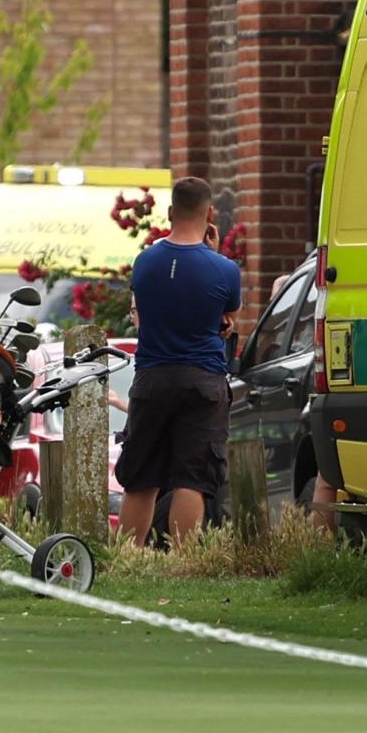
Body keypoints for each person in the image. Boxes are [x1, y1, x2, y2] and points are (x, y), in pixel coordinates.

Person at [119, 177, 246, 545]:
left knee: (141, 477)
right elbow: (227, 314)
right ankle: (182, 558)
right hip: (202, 380)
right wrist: (216, 251)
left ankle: (127, 556)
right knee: (192, 478)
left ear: (171, 212)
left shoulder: (144, 263)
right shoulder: (224, 270)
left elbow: (143, 308)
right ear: (210, 214)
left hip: (152, 379)